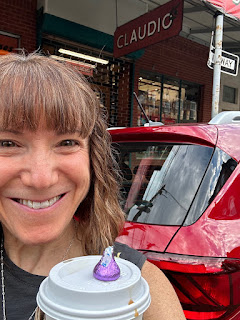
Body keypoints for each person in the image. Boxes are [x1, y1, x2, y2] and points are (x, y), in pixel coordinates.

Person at [0, 52, 186, 320]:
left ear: (92, 159)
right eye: (7, 143)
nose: (41, 179)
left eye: (66, 142)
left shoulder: (142, 292)